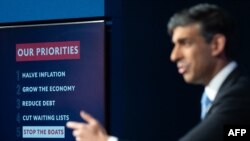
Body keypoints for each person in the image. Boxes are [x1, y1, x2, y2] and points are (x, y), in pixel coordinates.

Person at [66, 3, 250, 141]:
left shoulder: (239, 97)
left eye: (185, 43)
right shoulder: (221, 95)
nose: (174, 56)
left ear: (216, 44)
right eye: (174, 45)